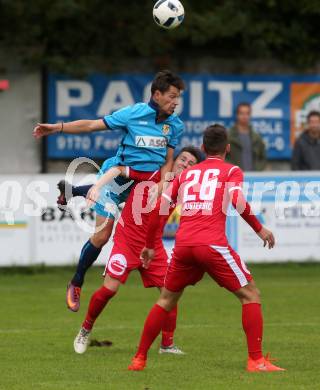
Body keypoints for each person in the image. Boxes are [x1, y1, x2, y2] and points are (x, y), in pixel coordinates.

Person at [128, 124, 285, 372]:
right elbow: (236, 199)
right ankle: (256, 361)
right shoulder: (231, 170)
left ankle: (139, 359)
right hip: (211, 244)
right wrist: (260, 229)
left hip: (183, 246)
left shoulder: (184, 175)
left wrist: (149, 246)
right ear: (228, 148)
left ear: (203, 148)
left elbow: (160, 209)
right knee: (251, 295)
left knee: (166, 300)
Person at [33, 70, 185, 312]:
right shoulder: (134, 113)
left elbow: (168, 159)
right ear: (157, 94)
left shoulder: (174, 125)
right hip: (118, 177)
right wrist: (58, 127)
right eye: (172, 96)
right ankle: (76, 281)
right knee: (103, 235)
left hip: (146, 185)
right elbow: (93, 125)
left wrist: (163, 182)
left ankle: (73, 191)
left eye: (178, 97)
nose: (176, 102)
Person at [72, 147, 202, 355]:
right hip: (127, 242)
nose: (184, 164)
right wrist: (95, 186)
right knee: (109, 290)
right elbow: (120, 170)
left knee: (171, 293)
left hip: (154, 247)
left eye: (190, 163)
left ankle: (167, 345)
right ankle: (85, 330)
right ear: (174, 160)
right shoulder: (151, 173)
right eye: (183, 159)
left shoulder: (186, 190)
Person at [227, 102, 266, 171]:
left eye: (247, 113)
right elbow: (223, 157)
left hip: (253, 178)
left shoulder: (256, 137)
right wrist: (231, 170)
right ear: (237, 115)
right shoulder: (228, 136)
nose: (244, 116)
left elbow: (262, 157)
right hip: (234, 177)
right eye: (242, 113)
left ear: (250, 115)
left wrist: (258, 169)